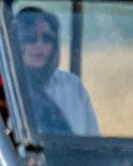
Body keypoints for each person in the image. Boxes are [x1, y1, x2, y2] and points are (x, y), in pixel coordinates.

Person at [11, 7, 100, 136]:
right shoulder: (5, 86)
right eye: (30, 39)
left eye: (47, 39)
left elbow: (93, 140)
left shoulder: (72, 86)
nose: (39, 45)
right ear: (15, 43)